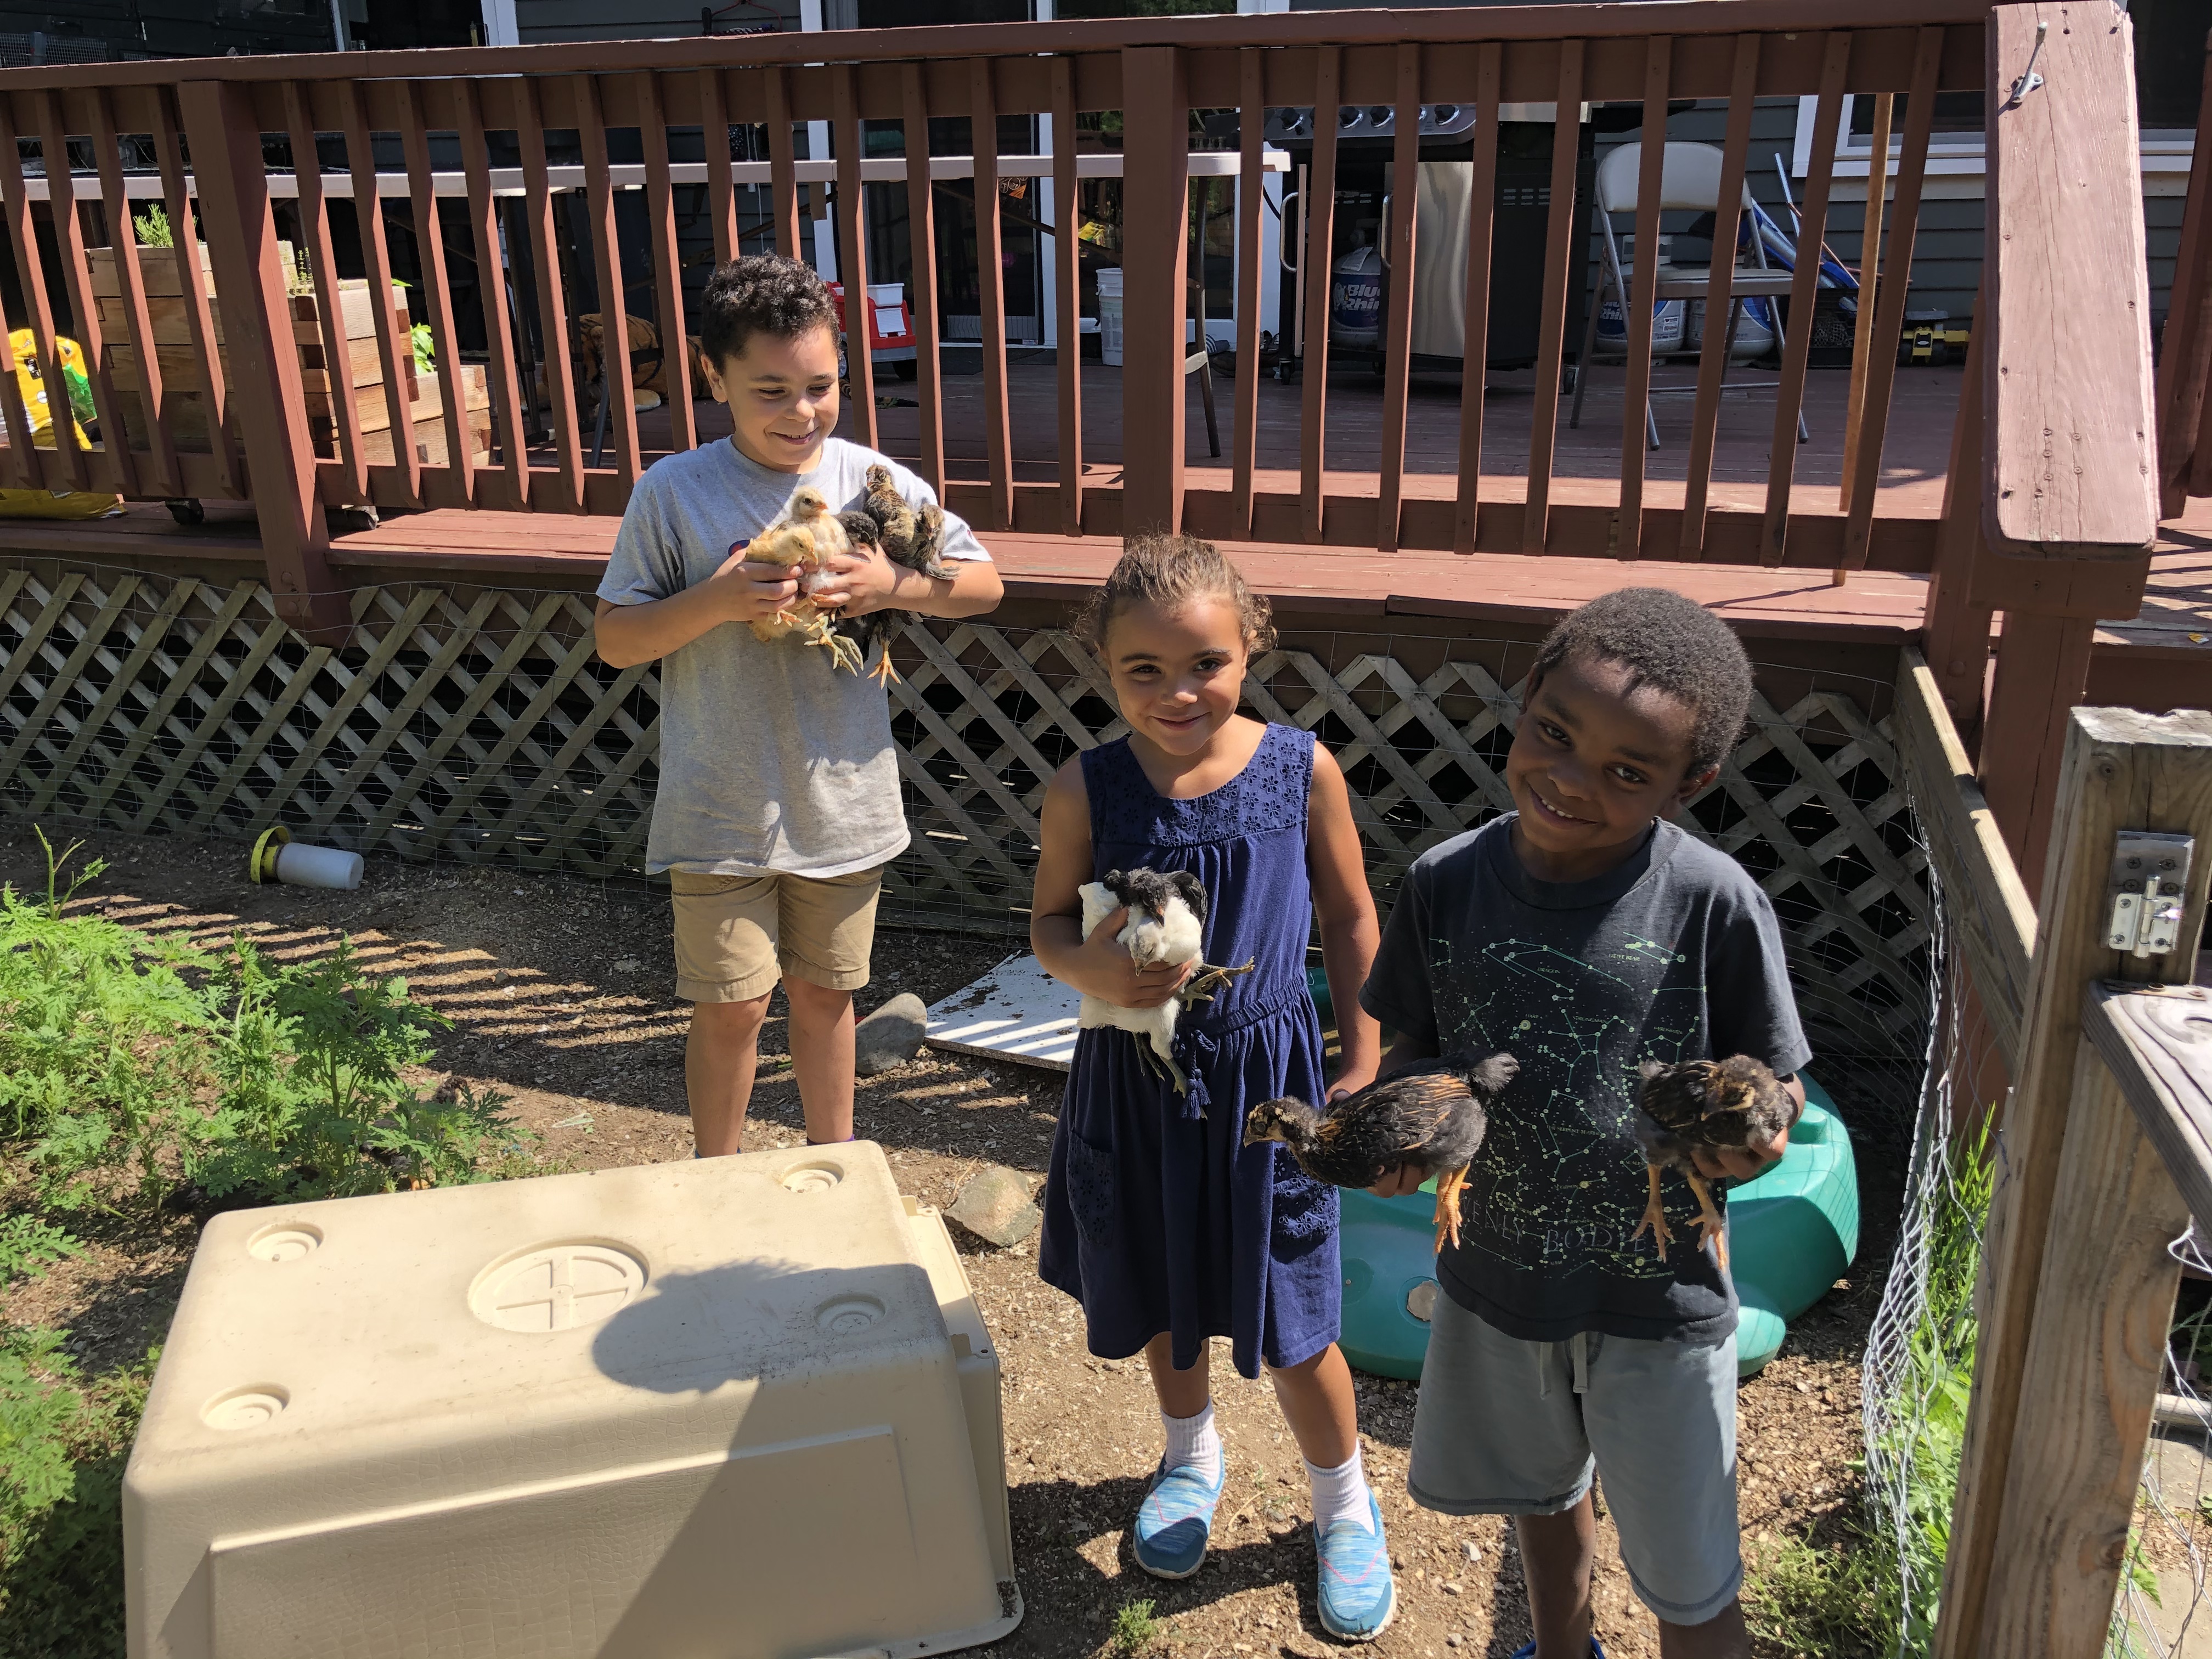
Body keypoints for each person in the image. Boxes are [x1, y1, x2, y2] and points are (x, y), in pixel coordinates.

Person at [1362, 588, 1810, 1659]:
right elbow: (1413, 1048)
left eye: (1627, 772)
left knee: (1692, 1579)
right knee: (1541, 1493)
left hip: (1662, 1299)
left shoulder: (1713, 901)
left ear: (1690, 783)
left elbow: (1778, 1082)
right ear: (1525, 701)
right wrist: (1401, 1131)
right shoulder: (1443, 884)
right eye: (1556, 735)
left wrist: (1760, 1138)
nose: (1571, 780)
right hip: (1498, 1276)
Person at [1030, 535, 1397, 1640]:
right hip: (1132, 1079)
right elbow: (1048, 928)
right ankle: (1189, 1456)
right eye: (1143, 669)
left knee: (1295, 1316)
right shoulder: (1084, 787)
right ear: (1104, 667)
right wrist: (1092, 969)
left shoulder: (1301, 769)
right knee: (1158, 1281)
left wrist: (1364, 1055)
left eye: (1206, 664)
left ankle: (1344, 1504)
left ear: (1250, 650)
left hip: (1268, 1087)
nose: (1178, 692)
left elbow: (1351, 915)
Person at [593, 254, 1003, 1156]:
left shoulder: (875, 481)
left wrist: (892, 584)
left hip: (842, 802)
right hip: (720, 800)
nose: (802, 411)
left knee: (826, 996)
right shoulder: (674, 491)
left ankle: (832, 1170)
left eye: (821, 386)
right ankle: (717, 1175)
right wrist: (719, 598)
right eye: (771, 391)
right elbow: (616, 639)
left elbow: (984, 585)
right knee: (733, 1005)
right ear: (714, 377)